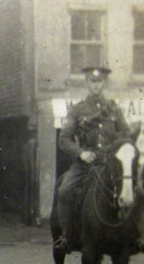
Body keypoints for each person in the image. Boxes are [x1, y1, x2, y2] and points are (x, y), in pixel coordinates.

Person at [54, 66, 132, 253]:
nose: (96, 85)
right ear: (88, 83)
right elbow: (64, 139)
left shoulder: (114, 109)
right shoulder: (77, 109)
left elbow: (126, 133)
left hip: (109, 163)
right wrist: (81, 153)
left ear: (104, 83)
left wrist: (116, 150)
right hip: (85, 163)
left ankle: (134, 235)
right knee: (64, 190)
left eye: (99, 82)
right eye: (92, 81)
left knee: (131, 188)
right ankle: (66, 236)